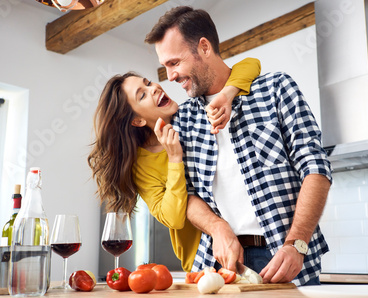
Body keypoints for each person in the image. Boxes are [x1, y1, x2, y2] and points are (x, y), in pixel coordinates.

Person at [145, 6, 332, 286]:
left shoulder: (276, 89)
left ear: (204, 48)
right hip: (221, 262)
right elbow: (188, 194)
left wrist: (297, 243)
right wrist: (216, 227)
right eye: (165, 67)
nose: (169, 76)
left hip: (285, 258)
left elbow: (315, 168)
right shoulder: (182, 120)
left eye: (174, 63)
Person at [87, 58, 260, 272]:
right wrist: (174, 158)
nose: (154, 89)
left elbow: (251, 64)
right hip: (203, 260)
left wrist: (227, 93)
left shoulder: (194, 116)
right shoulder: (141, 165)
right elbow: (173, 218)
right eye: (142, 95)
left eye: (149, 83)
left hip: (249, 241)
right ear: (138, 120)